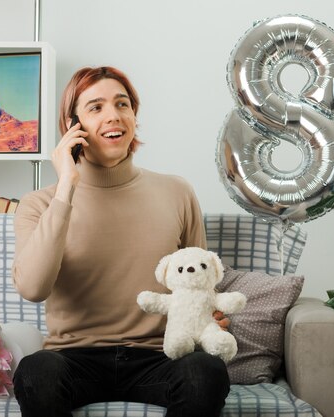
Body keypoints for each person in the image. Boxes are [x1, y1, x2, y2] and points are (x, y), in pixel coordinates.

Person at [11, 66, 230, 417]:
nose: (113, 116)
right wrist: (67, 185)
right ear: (72, 127)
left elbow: (200, 282)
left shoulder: (177, 191)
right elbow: (34, 288)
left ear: (134, 114)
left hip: (160, 356)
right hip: (73, 359)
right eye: (95, 107)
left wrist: (211, 315)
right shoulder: (38, 204)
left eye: (122, 104)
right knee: (35, 372)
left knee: (206, 372)